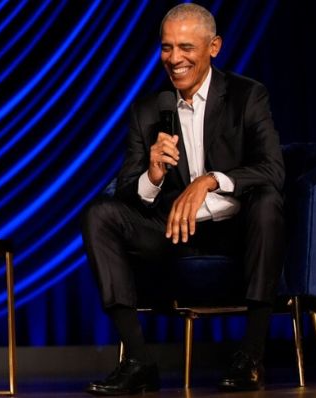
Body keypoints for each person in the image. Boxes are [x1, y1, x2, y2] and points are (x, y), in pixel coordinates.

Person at [81, 3, 284, 395]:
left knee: (269, 203)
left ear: (214, 47)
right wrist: (153, 175)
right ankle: (138, 360)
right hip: (173, 231)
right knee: (99, 215)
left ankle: (251, 355)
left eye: (186, 47)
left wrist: (208, 181)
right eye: (167, 48)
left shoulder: (247, 96)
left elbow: (272, 169)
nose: (174, 59)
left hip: (235, 227)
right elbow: (127, 192)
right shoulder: (148, 110)